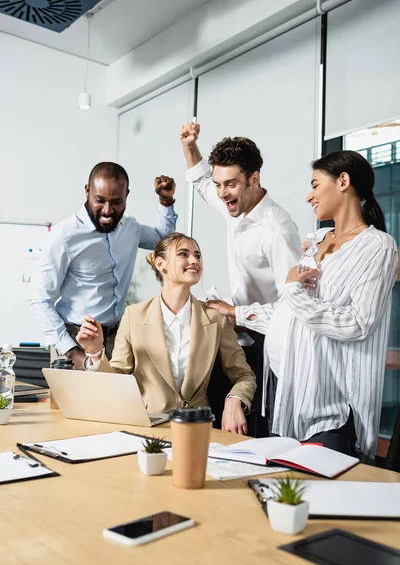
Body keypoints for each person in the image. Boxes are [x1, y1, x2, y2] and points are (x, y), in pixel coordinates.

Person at [208, 150, 398, 458]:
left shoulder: (377, 246)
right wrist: (236, 313)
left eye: (314, 185)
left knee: (321, 502)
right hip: (286, 400)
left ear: (343, 182)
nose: (309, 197)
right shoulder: (317, 238)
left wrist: (292, 290)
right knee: (282, 498)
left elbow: (357, 323)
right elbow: (291, 314)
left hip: (330, 410)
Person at [180, 122, 301, 435]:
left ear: (254, 179)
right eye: (220, 184)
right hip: (242, 340)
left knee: (259, 434)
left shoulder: (277, 231)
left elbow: (295, 310)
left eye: (230, 184)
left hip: (272, 348)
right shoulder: (235, 206)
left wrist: (234, 311)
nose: (222, 193)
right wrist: (190, 146)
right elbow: (202, 182)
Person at [76, 232, 256, 434]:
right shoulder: (134, 316)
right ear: (161, 264)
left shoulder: (215, 318)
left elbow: (244, 375)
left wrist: (234, 400)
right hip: (147, 429)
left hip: (198, 429)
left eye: (197, 255)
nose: (194, 260)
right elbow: (117, 381)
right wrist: (94, 352)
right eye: (183, 254)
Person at [30, 162, 178, 370]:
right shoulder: (63, 236)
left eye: (116, 202)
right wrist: (71, 351)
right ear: (87, 191)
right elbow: (40, 299)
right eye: (100, 201)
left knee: (116, 402)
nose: (107, 211)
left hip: (118, 337)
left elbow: (163, 241)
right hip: (76, 337)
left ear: (127, 195)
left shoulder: (130, 228)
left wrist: (165, 201)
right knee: (77, 402)